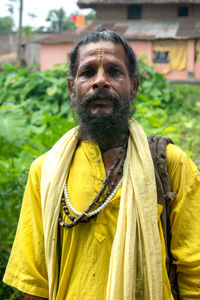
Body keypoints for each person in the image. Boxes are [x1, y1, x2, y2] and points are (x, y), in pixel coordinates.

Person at [3, 29, 200, 300]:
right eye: (87, 73)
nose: (100, 81)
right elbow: (36, 285)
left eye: (114, 71)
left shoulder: (171, 166)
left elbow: (194, 274)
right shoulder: (46, 172)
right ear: (73, 89)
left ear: (134, 86)